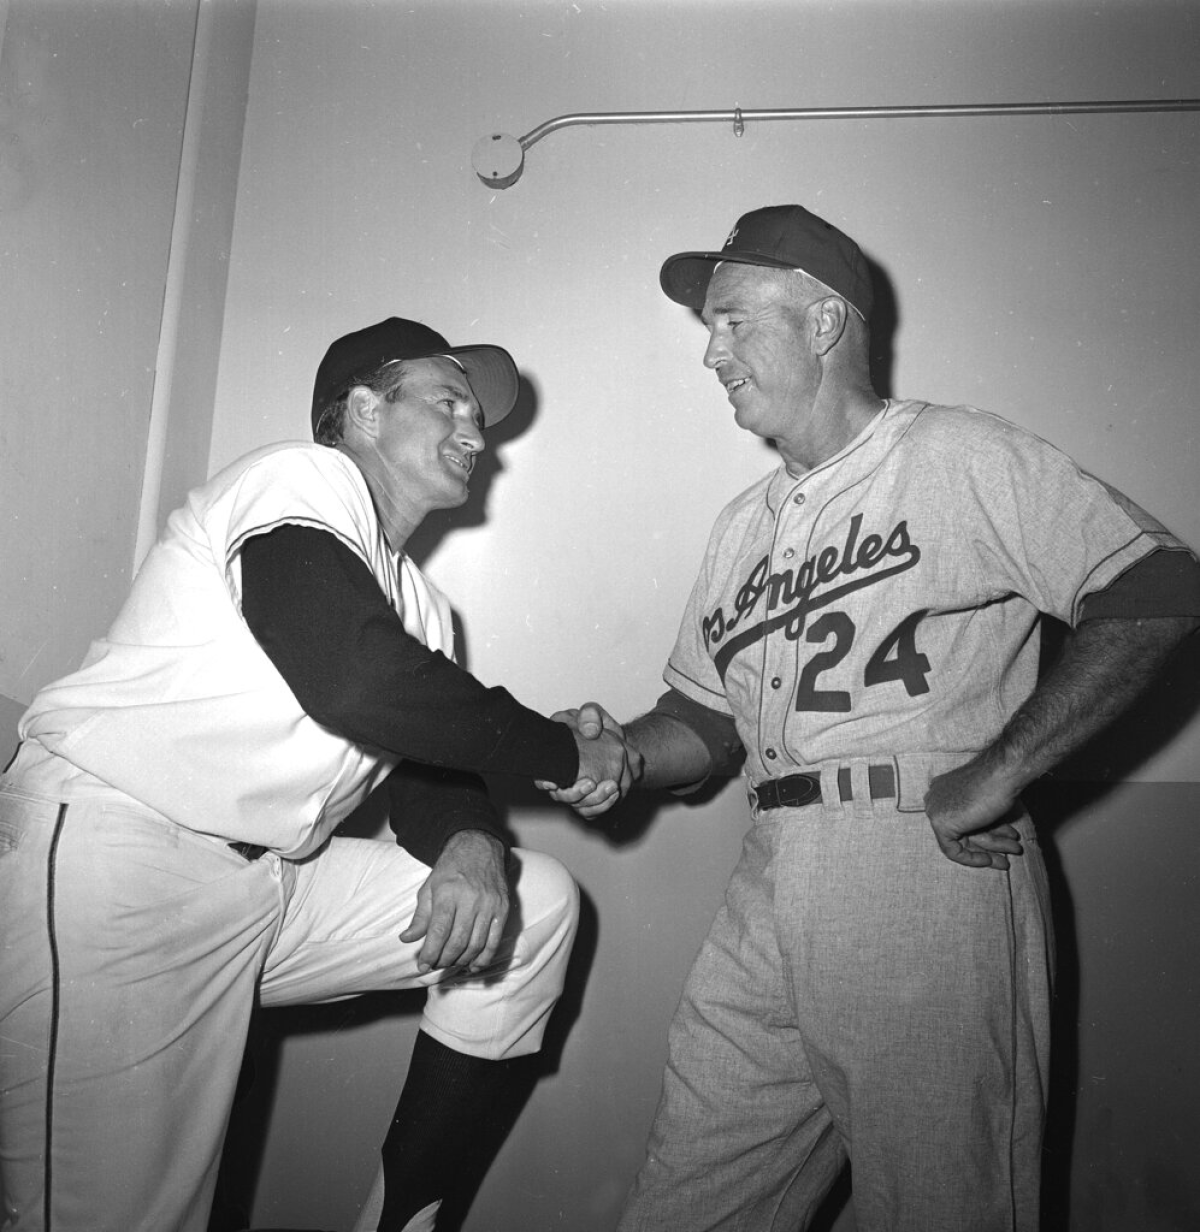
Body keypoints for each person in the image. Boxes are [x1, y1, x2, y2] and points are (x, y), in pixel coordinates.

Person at [548, 205, 1200, 1231]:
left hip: (920, 870)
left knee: (946, 1204)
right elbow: (705, 721)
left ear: (822, 322)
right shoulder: (741, 528)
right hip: (769, 869)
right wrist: (622, 751)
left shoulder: (953, 453)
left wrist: (1003, 767)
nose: (711, 353)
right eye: (708, 330)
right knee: (688, 1200)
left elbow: (1154, 587)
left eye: (732, 322)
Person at [0, 316, 635, 1232]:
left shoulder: (422, 604)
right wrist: (565, 752)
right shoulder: (302, 476)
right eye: (448, 399)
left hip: (261, 882)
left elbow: (422, 755)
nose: (475, 429)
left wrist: (472, 842)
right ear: (366, 410)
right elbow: (353, 676)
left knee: (532, 903)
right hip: (115, 851)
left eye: (477, 413)